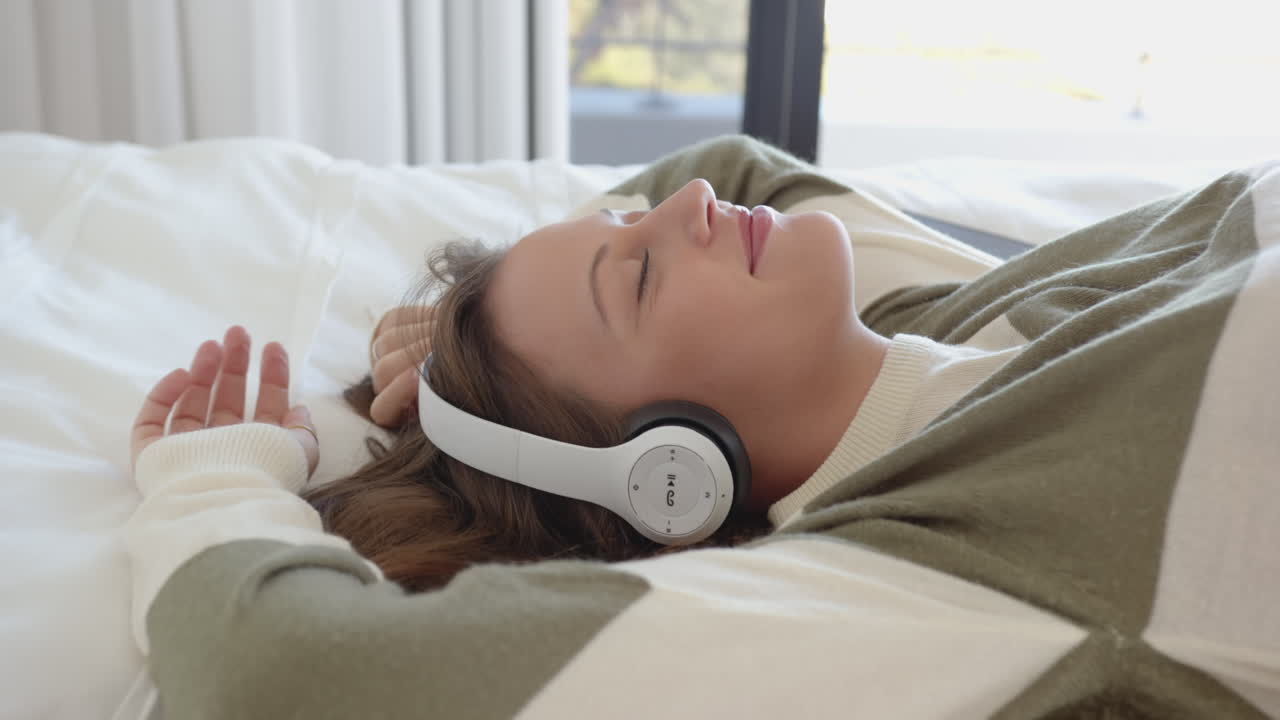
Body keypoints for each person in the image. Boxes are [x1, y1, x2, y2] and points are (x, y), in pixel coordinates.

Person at [122, 135, 1278, 718]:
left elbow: (725, 166)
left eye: (634, 227)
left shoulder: (948, 318)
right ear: (666, 476)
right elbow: (278, 670)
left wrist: (453, 336)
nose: (685, 212)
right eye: (634, 278)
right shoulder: (942, 565)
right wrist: (211, 474)